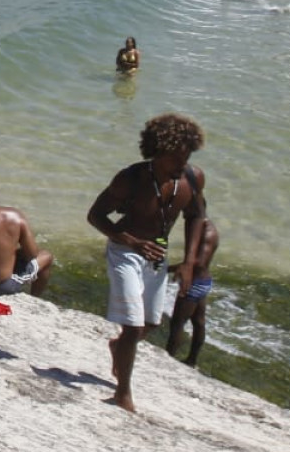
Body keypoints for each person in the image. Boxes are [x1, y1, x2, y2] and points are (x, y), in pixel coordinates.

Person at [86, 113, 206, 412]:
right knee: (132, 325)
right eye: (177, 157)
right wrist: (129, 240)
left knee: (151, 322)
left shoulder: (192, 178)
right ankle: (122, 393)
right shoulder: (131, 179)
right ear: (158, 151)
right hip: (125, 252)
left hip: (158, 255)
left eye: (187, 155)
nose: (183, 163)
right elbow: (95, 216)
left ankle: (118, 348)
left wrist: (189, 262)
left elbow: (196, 217)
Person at [166, 213, 218, 366]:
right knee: (198, 321)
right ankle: (192, 360)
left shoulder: (205, 231)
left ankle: (168, 359)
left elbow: (198, 262)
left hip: (194, 282)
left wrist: (168, 269)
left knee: (177, 323)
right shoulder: (208, 227)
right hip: (204, 280)